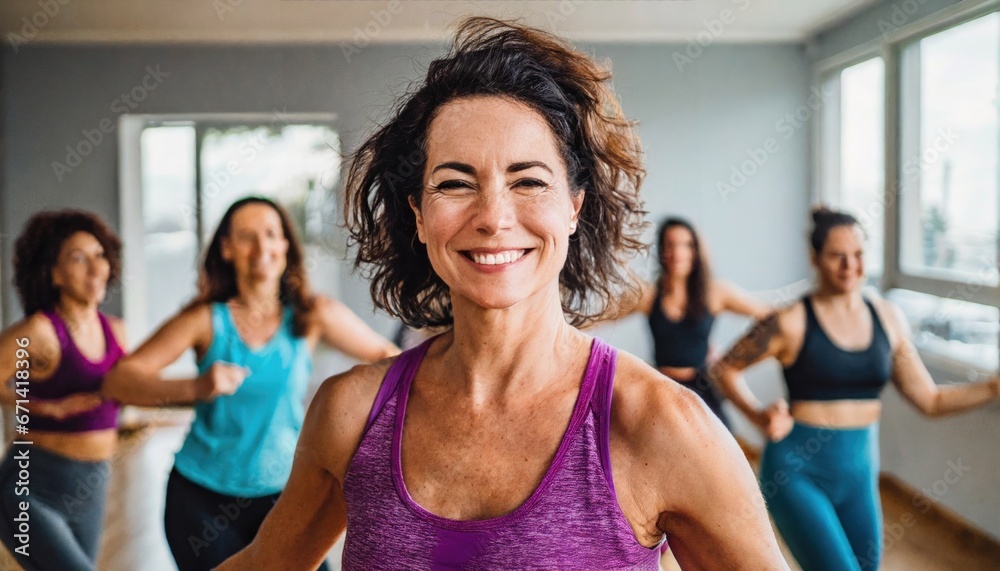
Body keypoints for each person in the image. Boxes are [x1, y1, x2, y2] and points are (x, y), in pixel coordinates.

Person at [219, 18, 787, 571]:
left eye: (529, 181)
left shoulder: (663, 426)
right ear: (418, 216)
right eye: (455, 183)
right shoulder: (349, 414)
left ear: (573, 207)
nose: (492, 218)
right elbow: (268, 562)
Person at [103, 196, 399, 571]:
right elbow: (119, 382)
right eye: (247, 237)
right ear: (226, 249)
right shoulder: (205, 320)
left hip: (288, 497)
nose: (262, 248)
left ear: (286, 246)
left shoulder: (312, 315)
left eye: (271, 234)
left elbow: (389, 361)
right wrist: (196, 387)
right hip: (202, 503)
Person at [711, 206, 1000, 571]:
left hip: (859, 474)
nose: (851, 266)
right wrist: (758, 416)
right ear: (815, 259)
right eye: (837, 256)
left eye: (859, 255)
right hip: (797, 472)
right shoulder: (790, 321)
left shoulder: (888, 318)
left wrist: (993, 387)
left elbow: (930, 400)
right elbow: (725, 368)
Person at [0, 210, 126, 570]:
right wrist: (43, 407)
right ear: (54, 274)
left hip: (92, 484)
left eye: (99, 255)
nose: (94, 267)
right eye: (78, 258)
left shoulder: (117, 331)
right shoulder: (40, 332)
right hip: (30, 487)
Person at [625, 217, 770, 428]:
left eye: (687, 245)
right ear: (661, 251)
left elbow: (770, 318)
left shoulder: (715, 293)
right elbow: (595, 319)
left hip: (702, 390)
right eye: (670, 245)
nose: (678, 253)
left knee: (721, 448)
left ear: (696, 251)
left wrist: (735, 358)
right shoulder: (648, 295)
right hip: (660, 389)